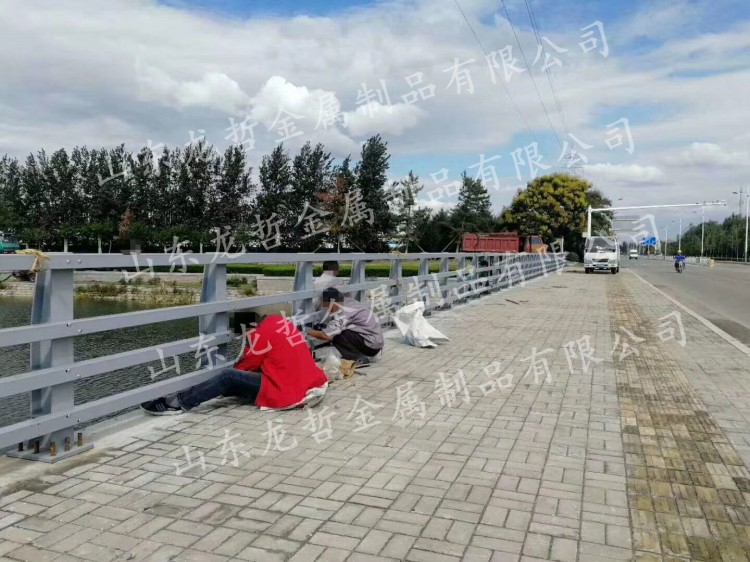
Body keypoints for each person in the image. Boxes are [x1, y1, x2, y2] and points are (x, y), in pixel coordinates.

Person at [140, 315, 328, 415]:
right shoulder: (279, 321)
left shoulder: (258, 334)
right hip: (306, 380)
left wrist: (232, 376)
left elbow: (248, 364)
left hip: (287, 389)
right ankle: (185, 397)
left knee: (227, 376)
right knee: (233, 379)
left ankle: (177, 403)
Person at [307, 288, 384, 368]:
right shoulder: (348, 301)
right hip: (375, 343)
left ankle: (357, 359)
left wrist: (307, 331)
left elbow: (327, 336)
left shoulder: (343, 311)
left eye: (328, 306)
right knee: (337, 330)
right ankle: (356, 355)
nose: (328, 310)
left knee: (336, 335)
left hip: (371, 346)